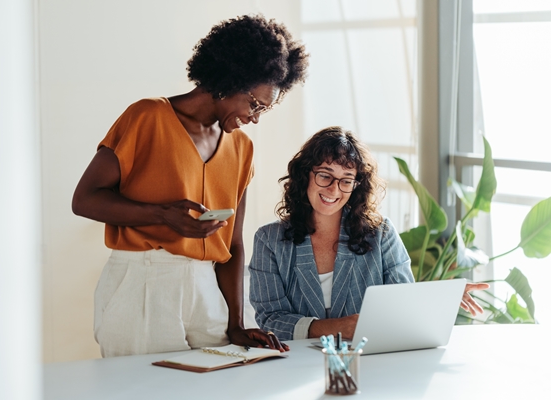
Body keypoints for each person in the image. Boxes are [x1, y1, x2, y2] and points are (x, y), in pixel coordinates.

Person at [72, 14, 309, 357]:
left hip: (206, 289)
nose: (255, 117)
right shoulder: (147, 117)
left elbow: (233, 245)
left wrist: (236, 324)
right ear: (230, 80)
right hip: (143, 281)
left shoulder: (242, 148)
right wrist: (161, 215)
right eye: (255, 104)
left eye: (264, 110)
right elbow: (84, 199)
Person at [248, 126, 489, 341]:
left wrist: (441, 296)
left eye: (346, 180)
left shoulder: (381, 233)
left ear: (357, 186)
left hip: (369, 360)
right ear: (305, 175)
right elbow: (271, 319)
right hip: (295, 365)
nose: (334, 188)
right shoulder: (269, 240)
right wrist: (335, 327)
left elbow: (401, 302)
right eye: (325, 175)